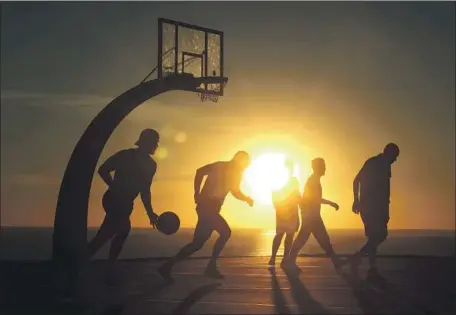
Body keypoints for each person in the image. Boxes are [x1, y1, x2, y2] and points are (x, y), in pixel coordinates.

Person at [158, 151, 254, 280]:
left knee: (197, 244)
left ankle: (168, 265)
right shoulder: (220, 166)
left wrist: (246, 199)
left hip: (212, 209)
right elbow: (200, 171)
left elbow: (235, 192)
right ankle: (211, 267)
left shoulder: (236, 175)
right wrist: (196, 193)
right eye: (244, 165)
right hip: (207, 207)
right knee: (225, 232)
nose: (244, 168)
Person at [86, 129, 160, 283]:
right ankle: (99, 265)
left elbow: (145, 191)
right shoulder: (125, 155)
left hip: (126, 203)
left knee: (112, 233)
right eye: (154, 142)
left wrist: (150, 213)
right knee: (118, 231)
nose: (156, 146)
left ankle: (86, 260)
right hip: (114, 199)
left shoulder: (150, 165)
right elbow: (103, 170)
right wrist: (114, 186)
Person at [351, 143, 400, 272]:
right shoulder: (373, 163)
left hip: (380, 208)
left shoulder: (386, 166)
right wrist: (356, 200)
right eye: (394, 156)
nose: (395, 160)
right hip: (370, 207)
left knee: (374, 236)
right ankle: (359, 257)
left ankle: (371, 264)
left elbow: (384, 190)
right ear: (388, 154)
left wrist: (386, 210)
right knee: (380, 235)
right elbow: (357, 180)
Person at [285, 158, 341, 271]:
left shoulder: (314, 180)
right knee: (309, 238)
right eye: (323, 165)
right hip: (311, 216)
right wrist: (331, 203)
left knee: (321, 239)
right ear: (317, 167)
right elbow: (314, 199)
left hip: (312, 215)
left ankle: (336, 261)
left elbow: (313, 199)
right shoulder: (313, 181)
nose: (325, 168)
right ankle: (289, 262)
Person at [268, 159, 301, 267]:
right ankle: (273, 257)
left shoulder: (294, 181)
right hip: (283, 211)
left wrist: (298, 214)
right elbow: (274, 195)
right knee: (280, 234)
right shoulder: (279, 180)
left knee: (289, 235)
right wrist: (277, 207)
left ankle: (284, 258)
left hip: (291, 211)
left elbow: (298, 197)